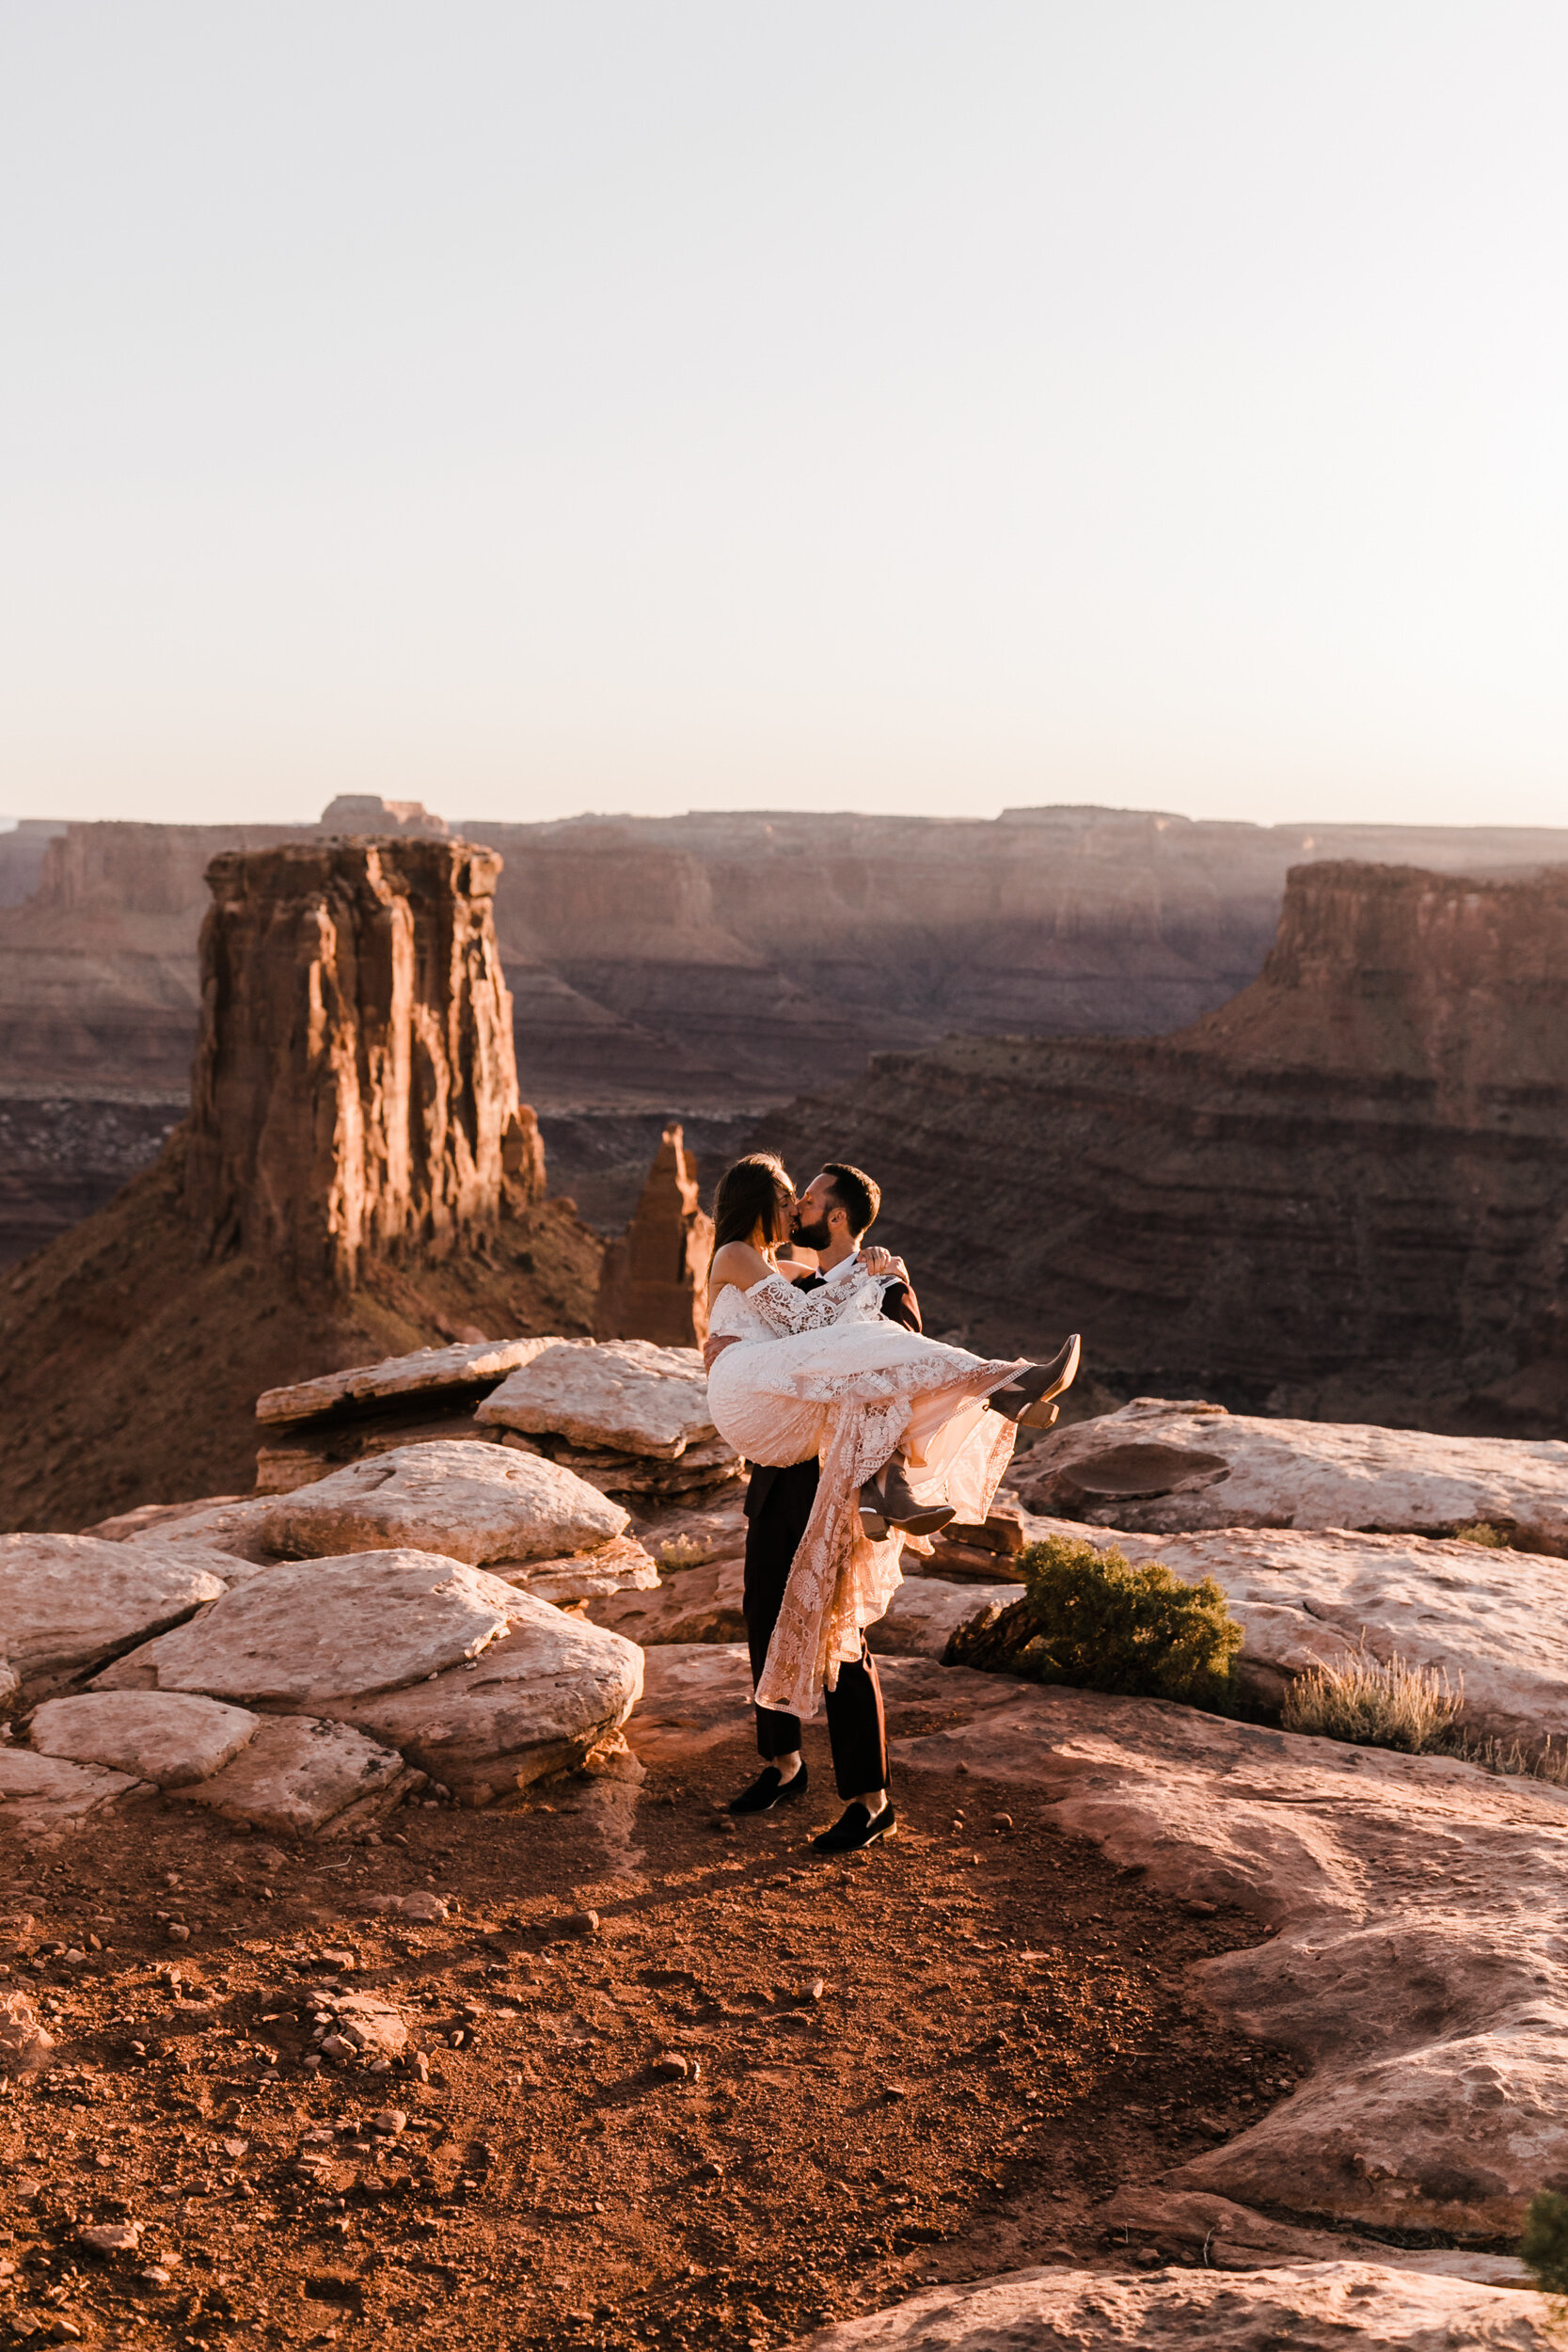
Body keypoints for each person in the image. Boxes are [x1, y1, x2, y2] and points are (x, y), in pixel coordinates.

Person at [702, 1153, 1079, 1853]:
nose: (794, 1211)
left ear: (832, 1215)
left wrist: (877, 1274)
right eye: (787, 1200)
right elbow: (804, 1323)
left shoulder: (874, 1281)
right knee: (763, 1612)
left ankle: (869, 1801)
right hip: (778, 1474)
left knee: (841, 1633)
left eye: (804, 1201)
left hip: (834, 1476)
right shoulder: (775, 1270)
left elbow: (884, 1348)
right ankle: (783, 1767)